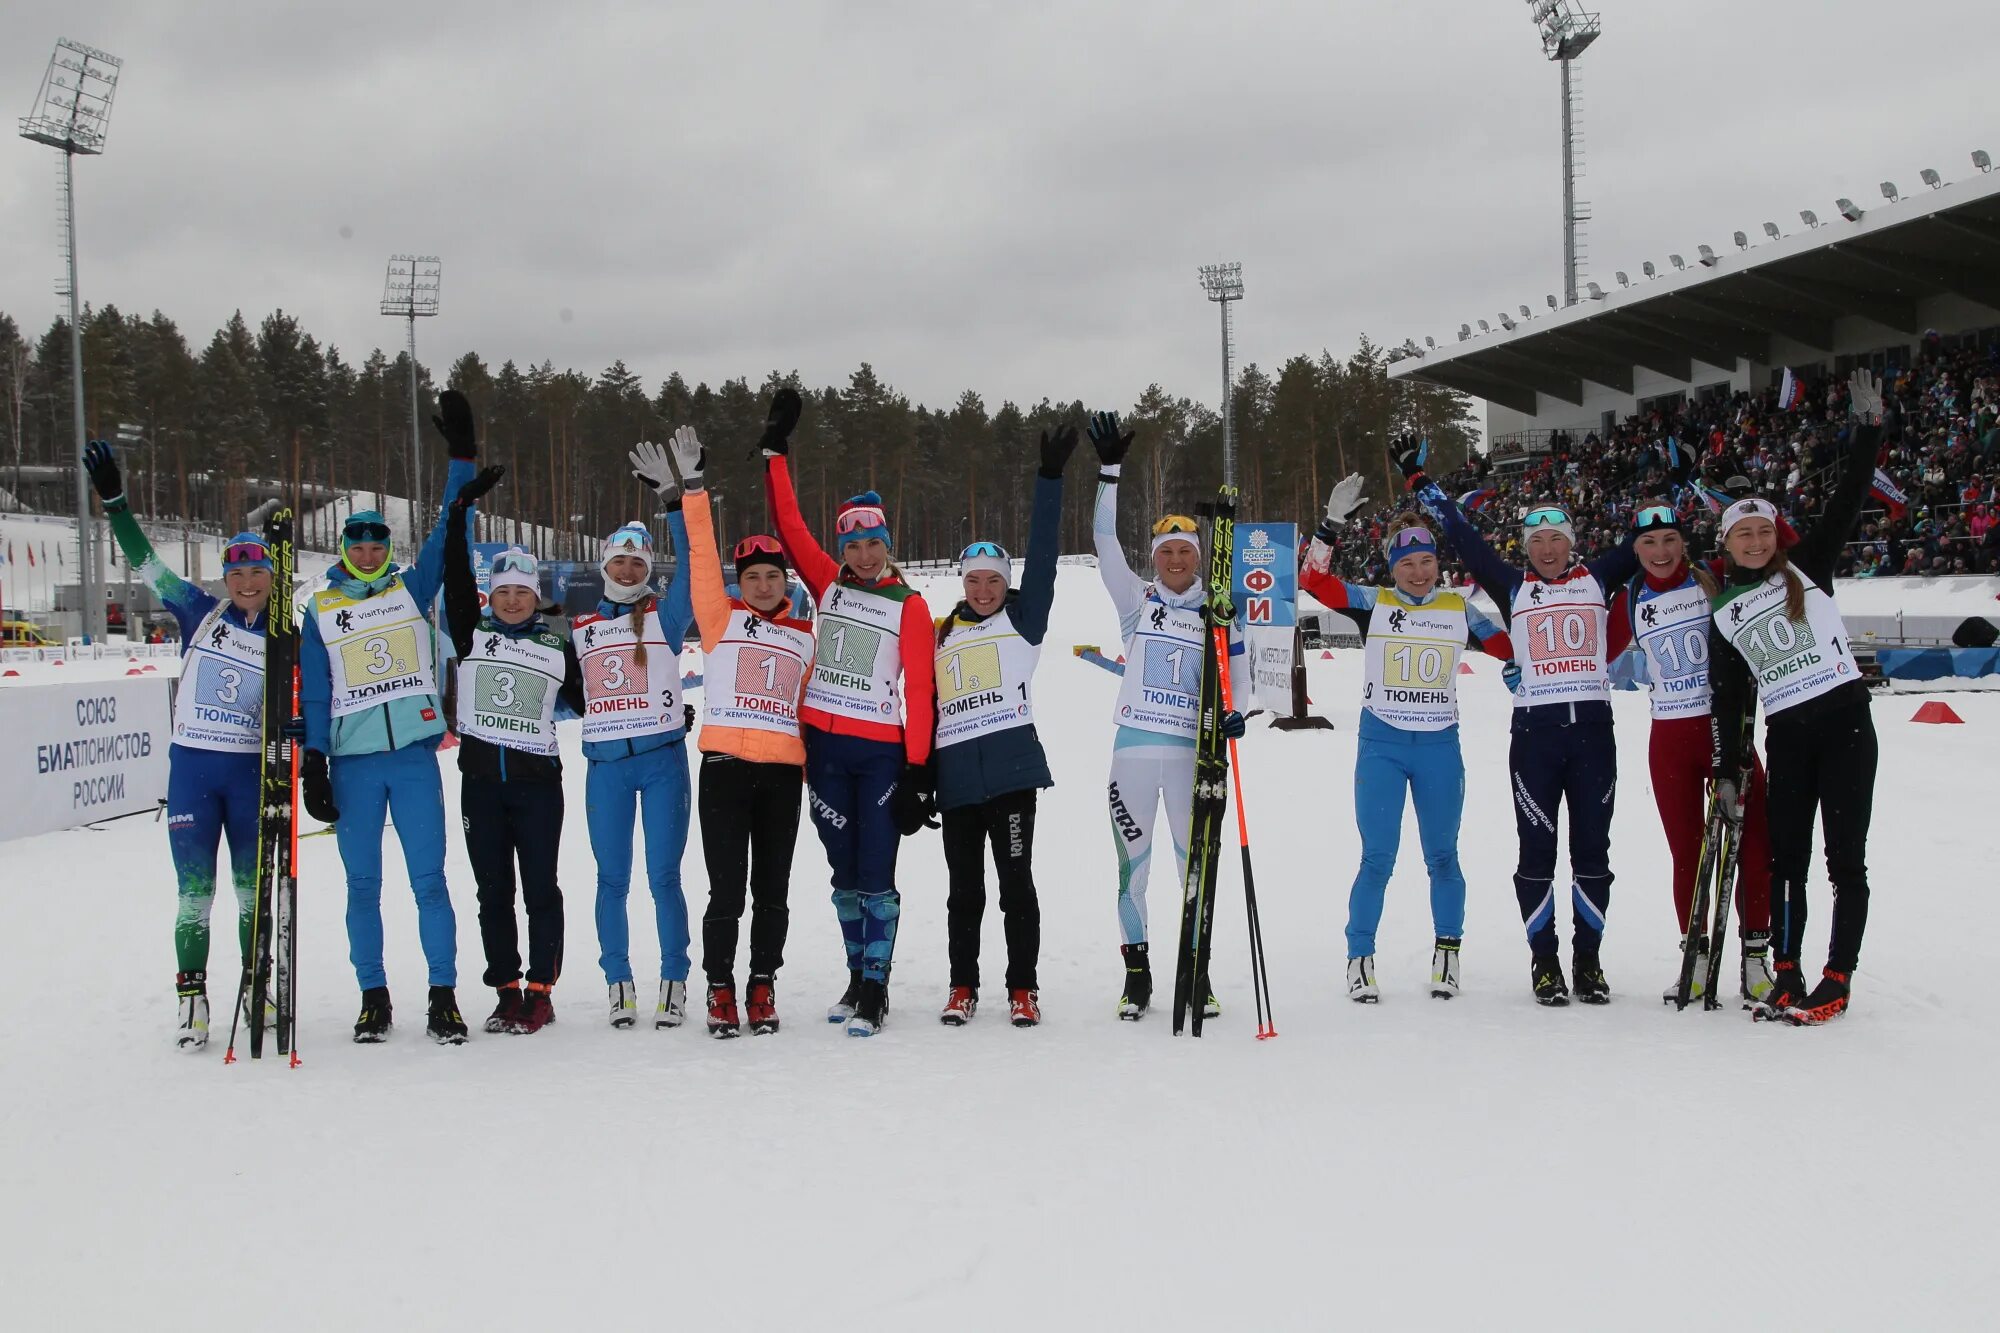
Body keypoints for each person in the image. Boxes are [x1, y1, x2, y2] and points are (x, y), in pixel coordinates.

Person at [1394, 436, 1638, 1005]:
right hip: (1535, 738)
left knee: (1593, 851)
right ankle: (1544, 962)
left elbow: (1650, 540)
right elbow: (1460, 533)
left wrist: (1681, 487)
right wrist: (1418, 480)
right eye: (1537, 540)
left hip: (1593, 736)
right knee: (1536, 851)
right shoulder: (1512, 585)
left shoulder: (1598, 578)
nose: (1547, 549)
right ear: (1525, 547)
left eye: (1557, 539)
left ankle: (1589, 961)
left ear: (1572, 543)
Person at [299, 389, 496, 1045]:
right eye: (356, 539)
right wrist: (315, 761)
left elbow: (448, 525)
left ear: (388, 544)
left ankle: (442, 994)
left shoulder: (414, 588)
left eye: (377, 537)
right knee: (363, 886)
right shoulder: (321, 608)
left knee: (430, 882)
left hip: (412, 758)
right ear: (343, 546)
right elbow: (317, 691)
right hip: (354, 763)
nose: (366, 547)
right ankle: (373, 997)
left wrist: (460, 459)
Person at [82, 441, 278, 1049]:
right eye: (238, 573)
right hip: (193, 770)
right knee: (195, 893)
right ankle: (191, 999)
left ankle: (256, 984)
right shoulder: (199, 610)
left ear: (273, 576)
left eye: (258, 572)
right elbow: (144, 562)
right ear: (226, 578)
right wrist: (115, 504)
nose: (247, 582)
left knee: (251, 893)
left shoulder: (288, 632)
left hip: (249, 774)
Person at [1709, 369, 1889, 1025]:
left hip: (1844, 724)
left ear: (1774, 534)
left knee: (1845, 859)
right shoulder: (1724, 612)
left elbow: (1846, 498)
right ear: (1726, 544)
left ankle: (1837, 975)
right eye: (1741, 535)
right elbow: (1726, 700)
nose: (1754, 542)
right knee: (1787, 860)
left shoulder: (1808, 564)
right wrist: (1727, 768)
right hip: (1786, 734)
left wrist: (1868, 432)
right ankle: (1787, 971)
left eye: (1762, 531)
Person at [761, 389, 938, 1037]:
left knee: (875, 868)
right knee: (842, 869)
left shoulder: (911, 605)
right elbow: (788, 526)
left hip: (880, 754)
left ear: (887, 542)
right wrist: (775, 453)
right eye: (854, 542)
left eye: (873, 541)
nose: (864, 553)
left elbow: (919, 691)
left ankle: (876, 988)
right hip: (824, 753)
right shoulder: (827, 580)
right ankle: (856, 972)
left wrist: (919, 769)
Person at [1300, 479, 1513, 1002]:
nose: (1419, 572)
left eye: (1426, 562)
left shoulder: (1459, 607)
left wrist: (1522, 669)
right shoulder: (1375, 602)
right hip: (1383, 745)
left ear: (1437, 563)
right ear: (1392, 567)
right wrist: (1330, 526)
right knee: (1378, 857)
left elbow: (1509, 646)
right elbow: (1314, 581)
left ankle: (1447, 954)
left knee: (1443, 856)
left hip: (1439, 746)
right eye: (1407, 564)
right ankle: (1360, 958)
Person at [1089, 410, 1245, 1021]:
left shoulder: (1221, 609)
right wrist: (1109, 472)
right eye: (1167, 551)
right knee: (1133, 868)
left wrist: (1235, 717)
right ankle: (1138, 976)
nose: (1177, 559)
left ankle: (1198, 971)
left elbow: (1239, 684)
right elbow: (1104, 543)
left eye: (1186, 550)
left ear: (1200, 556)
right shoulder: (1136, 601)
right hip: (1132, 751)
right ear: (1154, 557)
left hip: (1190, 754)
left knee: (1193, 869)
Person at [1603, 499, 1775, 1007]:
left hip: (1727, 729)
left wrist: (1735, 505)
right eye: (1649, 543)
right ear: (1635, 549)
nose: (1661, 552)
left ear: (1685, 542)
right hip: (1671, 738)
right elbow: (1590, 653)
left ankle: (1754, 957)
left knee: (1756, 846)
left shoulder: (1713, 577)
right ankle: (1695, 957)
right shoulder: (1629, 597)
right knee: (1687, 852)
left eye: (1670, 540)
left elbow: (1768, 547)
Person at [933, 425, 1075, 1028]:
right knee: (964, 894)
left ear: (1006, 582)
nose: (985, 590)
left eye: (994, 579)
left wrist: (1048, 480)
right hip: (959, 780)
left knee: (1016, 887)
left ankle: (1023, 988)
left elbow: (1043, 557)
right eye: (974, 580)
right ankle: (962, 986)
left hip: (1013, 777)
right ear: (961, 582)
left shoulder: (1024, 620)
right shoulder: (941, 632)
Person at [674, 427, 815, 1038]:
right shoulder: (718, 619)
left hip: (783, 775)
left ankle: (763, 984)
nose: (763, 585)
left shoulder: (806, 635)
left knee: (774, 892)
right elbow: (700, 555)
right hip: (725, 772)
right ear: (740, 580)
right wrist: (696, 490)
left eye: (772, 577)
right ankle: (719, 987)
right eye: (753, 576)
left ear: (786, 582)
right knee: (726, 890)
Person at [441, 485, 583, 1037]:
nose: (514, 600)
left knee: (541, 887)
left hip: (538, 786)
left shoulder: (556, 642)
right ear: (491, 596)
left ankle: (541, 991)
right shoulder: (470, 633)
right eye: (505, 592)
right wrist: (458, 516)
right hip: (481, 784)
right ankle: (505, 989)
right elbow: (455, 578)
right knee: (493, 890)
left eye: (524, 592)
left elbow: (594, 699)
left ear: (536, 596)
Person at [574, 451, 697, 1031]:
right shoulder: (581, 628)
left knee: (664, 877)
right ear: (605, 565)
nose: (627, 571)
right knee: (610, 879)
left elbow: (697, 566)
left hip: (662, 763)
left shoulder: (665, 619)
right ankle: (617, 982)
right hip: (606, 769)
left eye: (637, 563)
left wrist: (675, 504)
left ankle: (674, 981)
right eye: (619, 562)